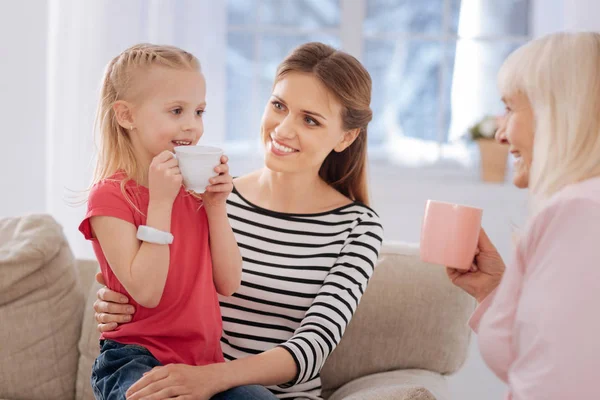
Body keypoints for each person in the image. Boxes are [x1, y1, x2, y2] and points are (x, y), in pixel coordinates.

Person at [91, 42, 384, 400]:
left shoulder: (358, 228)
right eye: (279, 106)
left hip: (242, 387)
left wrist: (211, 378)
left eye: (310, 119)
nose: (283, 129)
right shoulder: (207, 192)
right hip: (177, 376)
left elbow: (312, 347)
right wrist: (114, 297)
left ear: (346, 136)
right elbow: (148, 281)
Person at [79, 43, 244, 399]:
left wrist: (216, 208)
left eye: (199, 111)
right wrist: (161, 203)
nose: (192, 125)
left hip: (204, 362)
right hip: (133, 358)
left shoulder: (194, 193)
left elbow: (228, 283)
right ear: (126, 116)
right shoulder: (109, 197)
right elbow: (147, 292)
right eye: (176, 110)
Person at [447, 32, 600, 399]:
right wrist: (496, 289)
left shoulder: (580, 213)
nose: (500, 133)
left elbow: (557, 386)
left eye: (511, 109)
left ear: (560, 112)